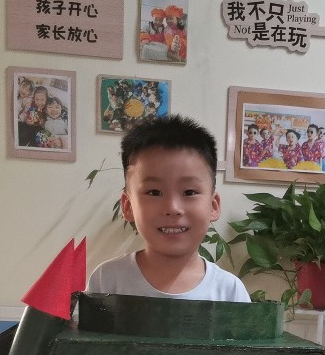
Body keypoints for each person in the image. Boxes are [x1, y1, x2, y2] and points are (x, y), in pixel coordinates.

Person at [87, 115, 250, 302]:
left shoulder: (230, 291)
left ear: (213, 206)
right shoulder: (107, 280)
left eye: (189, 192)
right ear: (128, 206)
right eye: (154, 192)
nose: (173, 208)